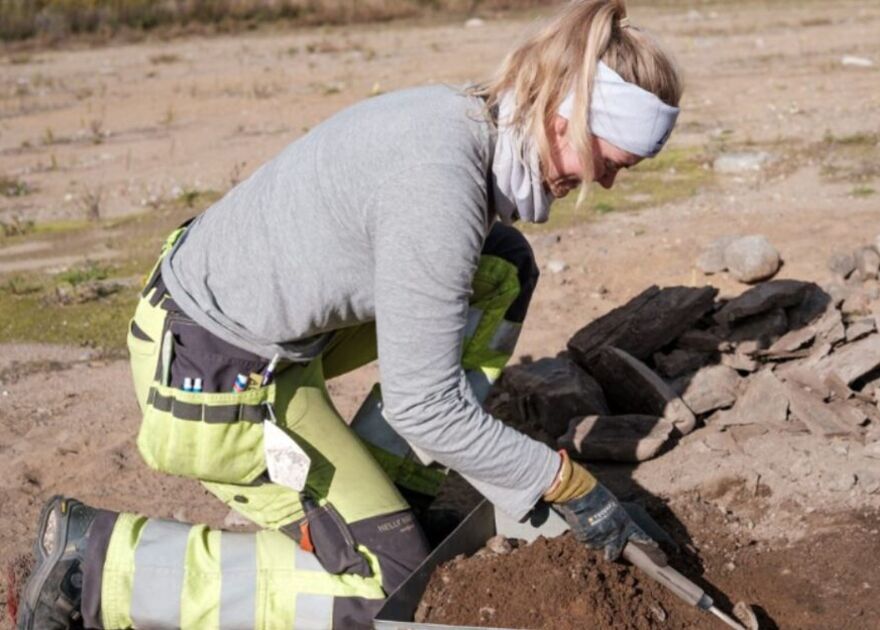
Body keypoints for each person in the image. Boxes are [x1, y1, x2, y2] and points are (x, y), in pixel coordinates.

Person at [18, 0, 682, 628]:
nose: (606, 183)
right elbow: (427, 403)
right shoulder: (439, 183)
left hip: (259, 339)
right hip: (212, 376)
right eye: (611, 162)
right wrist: (564, 482)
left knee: (500, 266)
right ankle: (97, 563)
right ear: (567, 117)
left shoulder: (467, 123)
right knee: (385, 587)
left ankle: (392, 486)